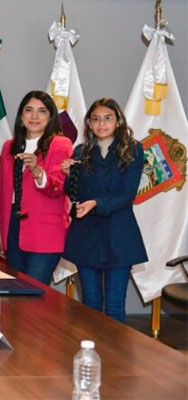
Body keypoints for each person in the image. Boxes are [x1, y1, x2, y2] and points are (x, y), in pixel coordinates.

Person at [61, 98, 147, 323]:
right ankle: (91, 346)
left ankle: (114, 348)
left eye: (107, 118)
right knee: (90, 303)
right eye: (96, 119)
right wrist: (69, 175)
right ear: (89, 123)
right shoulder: (81, 151)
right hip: (86, 234)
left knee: (115, 305)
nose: (101, 124)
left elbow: (127, 194)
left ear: (118, 121)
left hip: (118, 234)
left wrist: (96, 204)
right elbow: (74, 193)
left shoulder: (133, 149)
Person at [0, 91, 72, 284]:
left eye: (42, 111)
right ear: (21, 116)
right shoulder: (9, 147)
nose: (34, 116)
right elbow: (3, 192)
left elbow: (59, 187)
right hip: (12, 227)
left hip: (45, 231)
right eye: (29, 110)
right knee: (15, 290)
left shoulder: (60, 144)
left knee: (33, 291)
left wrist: (37, 171)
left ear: (50, 117)